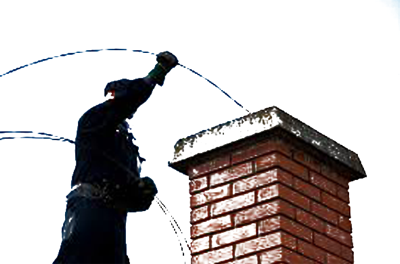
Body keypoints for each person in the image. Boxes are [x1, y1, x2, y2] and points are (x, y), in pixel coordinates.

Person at [52, 51, 179, 264]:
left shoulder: (128, 147)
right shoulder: (93, 120)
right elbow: (124, 103)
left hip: (115, 220)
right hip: (88, 209)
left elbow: (131, 199)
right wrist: (155, 75)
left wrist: (142, 194)